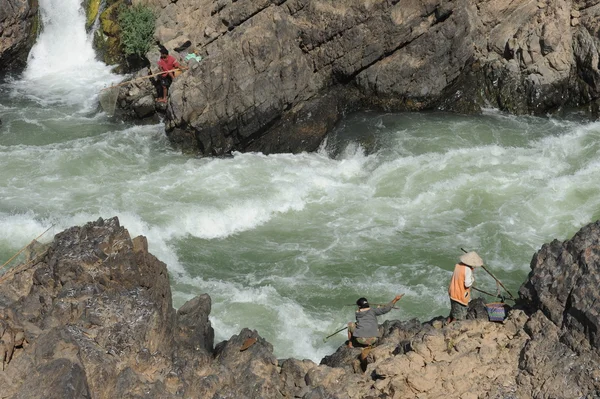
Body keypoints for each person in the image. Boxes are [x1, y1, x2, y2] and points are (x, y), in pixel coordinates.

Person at [447, 251, 484, 324]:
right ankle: (451, 327)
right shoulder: (468, 270)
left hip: (452, 291)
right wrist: (472, 279)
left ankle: (447, 322)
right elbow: (467, 284)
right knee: (458, 315)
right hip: (460, 295)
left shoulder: (458, 265)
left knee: (453, 310)